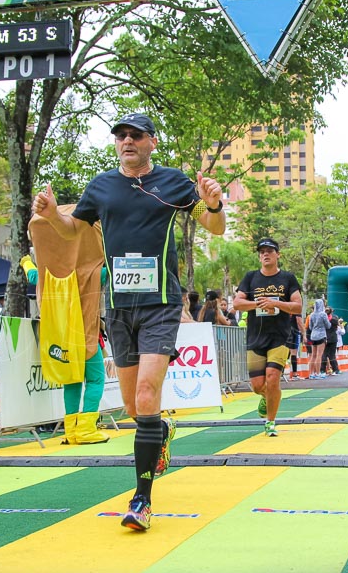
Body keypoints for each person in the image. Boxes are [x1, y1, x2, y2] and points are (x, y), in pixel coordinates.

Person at [31, 112, 226, 532]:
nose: (126, 141)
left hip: (160, 303)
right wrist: (50, 215)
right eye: (120, 136)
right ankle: (160, 431)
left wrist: (213, 202)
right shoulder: (101, 186)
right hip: (119, 306)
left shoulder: (173, 181)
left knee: (145, 391)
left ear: (151, 142)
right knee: (136, 408)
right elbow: (71, 230)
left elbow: (215, 226)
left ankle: (142, 500)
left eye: (135, 135)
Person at [30, 203, 110, 446]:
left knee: (72, 381)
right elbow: (108, 270)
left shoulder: (46, 277)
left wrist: (27, 262)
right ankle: (86, 429)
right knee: (95, 380)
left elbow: (32, 275)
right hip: (85, 337)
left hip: (60, 338)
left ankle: (71, 430)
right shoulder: (93, 274)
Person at [233, 237, 303, 436]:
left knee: (273, 379)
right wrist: (258, 304)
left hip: (279, 337)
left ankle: (270, 422)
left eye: (269, 251)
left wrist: (277, 304)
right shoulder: (250, 277)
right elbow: (237, 304)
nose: (265, 254)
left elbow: (297, 306)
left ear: (278, 255)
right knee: (257, 386)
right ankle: (268, 397)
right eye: (262, 251)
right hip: (256, 337)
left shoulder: (288, 279)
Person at [305, 299, 330, 379]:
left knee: (313, 355)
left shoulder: (311, 315)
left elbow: (310, 326)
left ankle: (311, 373)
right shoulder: (323, 314)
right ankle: (318, 373)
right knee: (319, 355)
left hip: (313, 335)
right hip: (321, 335)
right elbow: (328, 325)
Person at [323, 306, 340, 375]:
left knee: (324, 355)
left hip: (325, 338)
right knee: (332, 355)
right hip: (333, 338)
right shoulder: (334, 319)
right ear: (331, 311)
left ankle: (322, 370)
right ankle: (335, 369)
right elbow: (337, 326)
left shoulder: (324, 319)